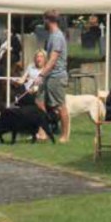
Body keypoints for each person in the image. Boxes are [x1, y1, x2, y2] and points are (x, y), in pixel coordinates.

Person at [37, 10, 70, 142]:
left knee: (60, 106)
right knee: (39, 101)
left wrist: (41, 74)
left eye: (43, 20)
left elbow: (52, 59)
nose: (42, 23)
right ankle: (43, 132)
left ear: (48, 20)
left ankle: (65, 136)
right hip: (48, 76)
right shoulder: (51, 35)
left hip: (57, 76)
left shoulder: (57, 36)